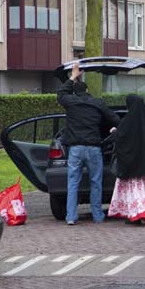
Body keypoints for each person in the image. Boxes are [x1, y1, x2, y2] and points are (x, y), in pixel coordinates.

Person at [57, 62, 120, 225]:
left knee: (72, 182)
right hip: (93, 148)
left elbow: (61, 94)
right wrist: (113, 128)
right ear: (87, 91)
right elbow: (115, 119)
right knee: (96, 182)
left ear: (75, 93)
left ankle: (71, 217)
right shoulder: (97, 103)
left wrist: (72, 76)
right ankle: (97, 216)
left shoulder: (70, 102)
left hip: (76, 149)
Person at [107, 94, 145, 225]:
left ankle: (135, 214)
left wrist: (114, 132)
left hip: (133, 165)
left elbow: (122, 138)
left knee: (134, 190)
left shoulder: (128, 121)